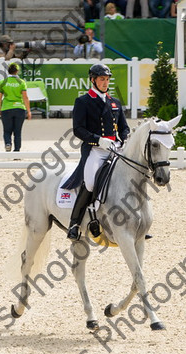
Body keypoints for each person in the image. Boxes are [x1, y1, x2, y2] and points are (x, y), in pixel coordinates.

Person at [61, 64, 129, 241]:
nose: (105, 83)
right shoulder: (83, 101)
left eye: (107, 80)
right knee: (90, 183)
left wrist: (123, 138)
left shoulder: (114, 102)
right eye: (102, 79)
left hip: (114, 148)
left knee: (129, 177)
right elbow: (78, 129)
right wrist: (98, 140)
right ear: (93, 80)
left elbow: (124, 127)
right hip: (95, 150)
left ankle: (134, 221)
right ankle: (74, 223)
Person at [0, 63, 31, 152]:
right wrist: (29, 111)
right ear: (17, 71)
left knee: (7, 130)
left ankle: (8, 143)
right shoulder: (22, 82)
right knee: (17, 132)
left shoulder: (2, 82)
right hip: (19, 108)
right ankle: (17, 151)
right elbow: (25, 98)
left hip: (6, 108)